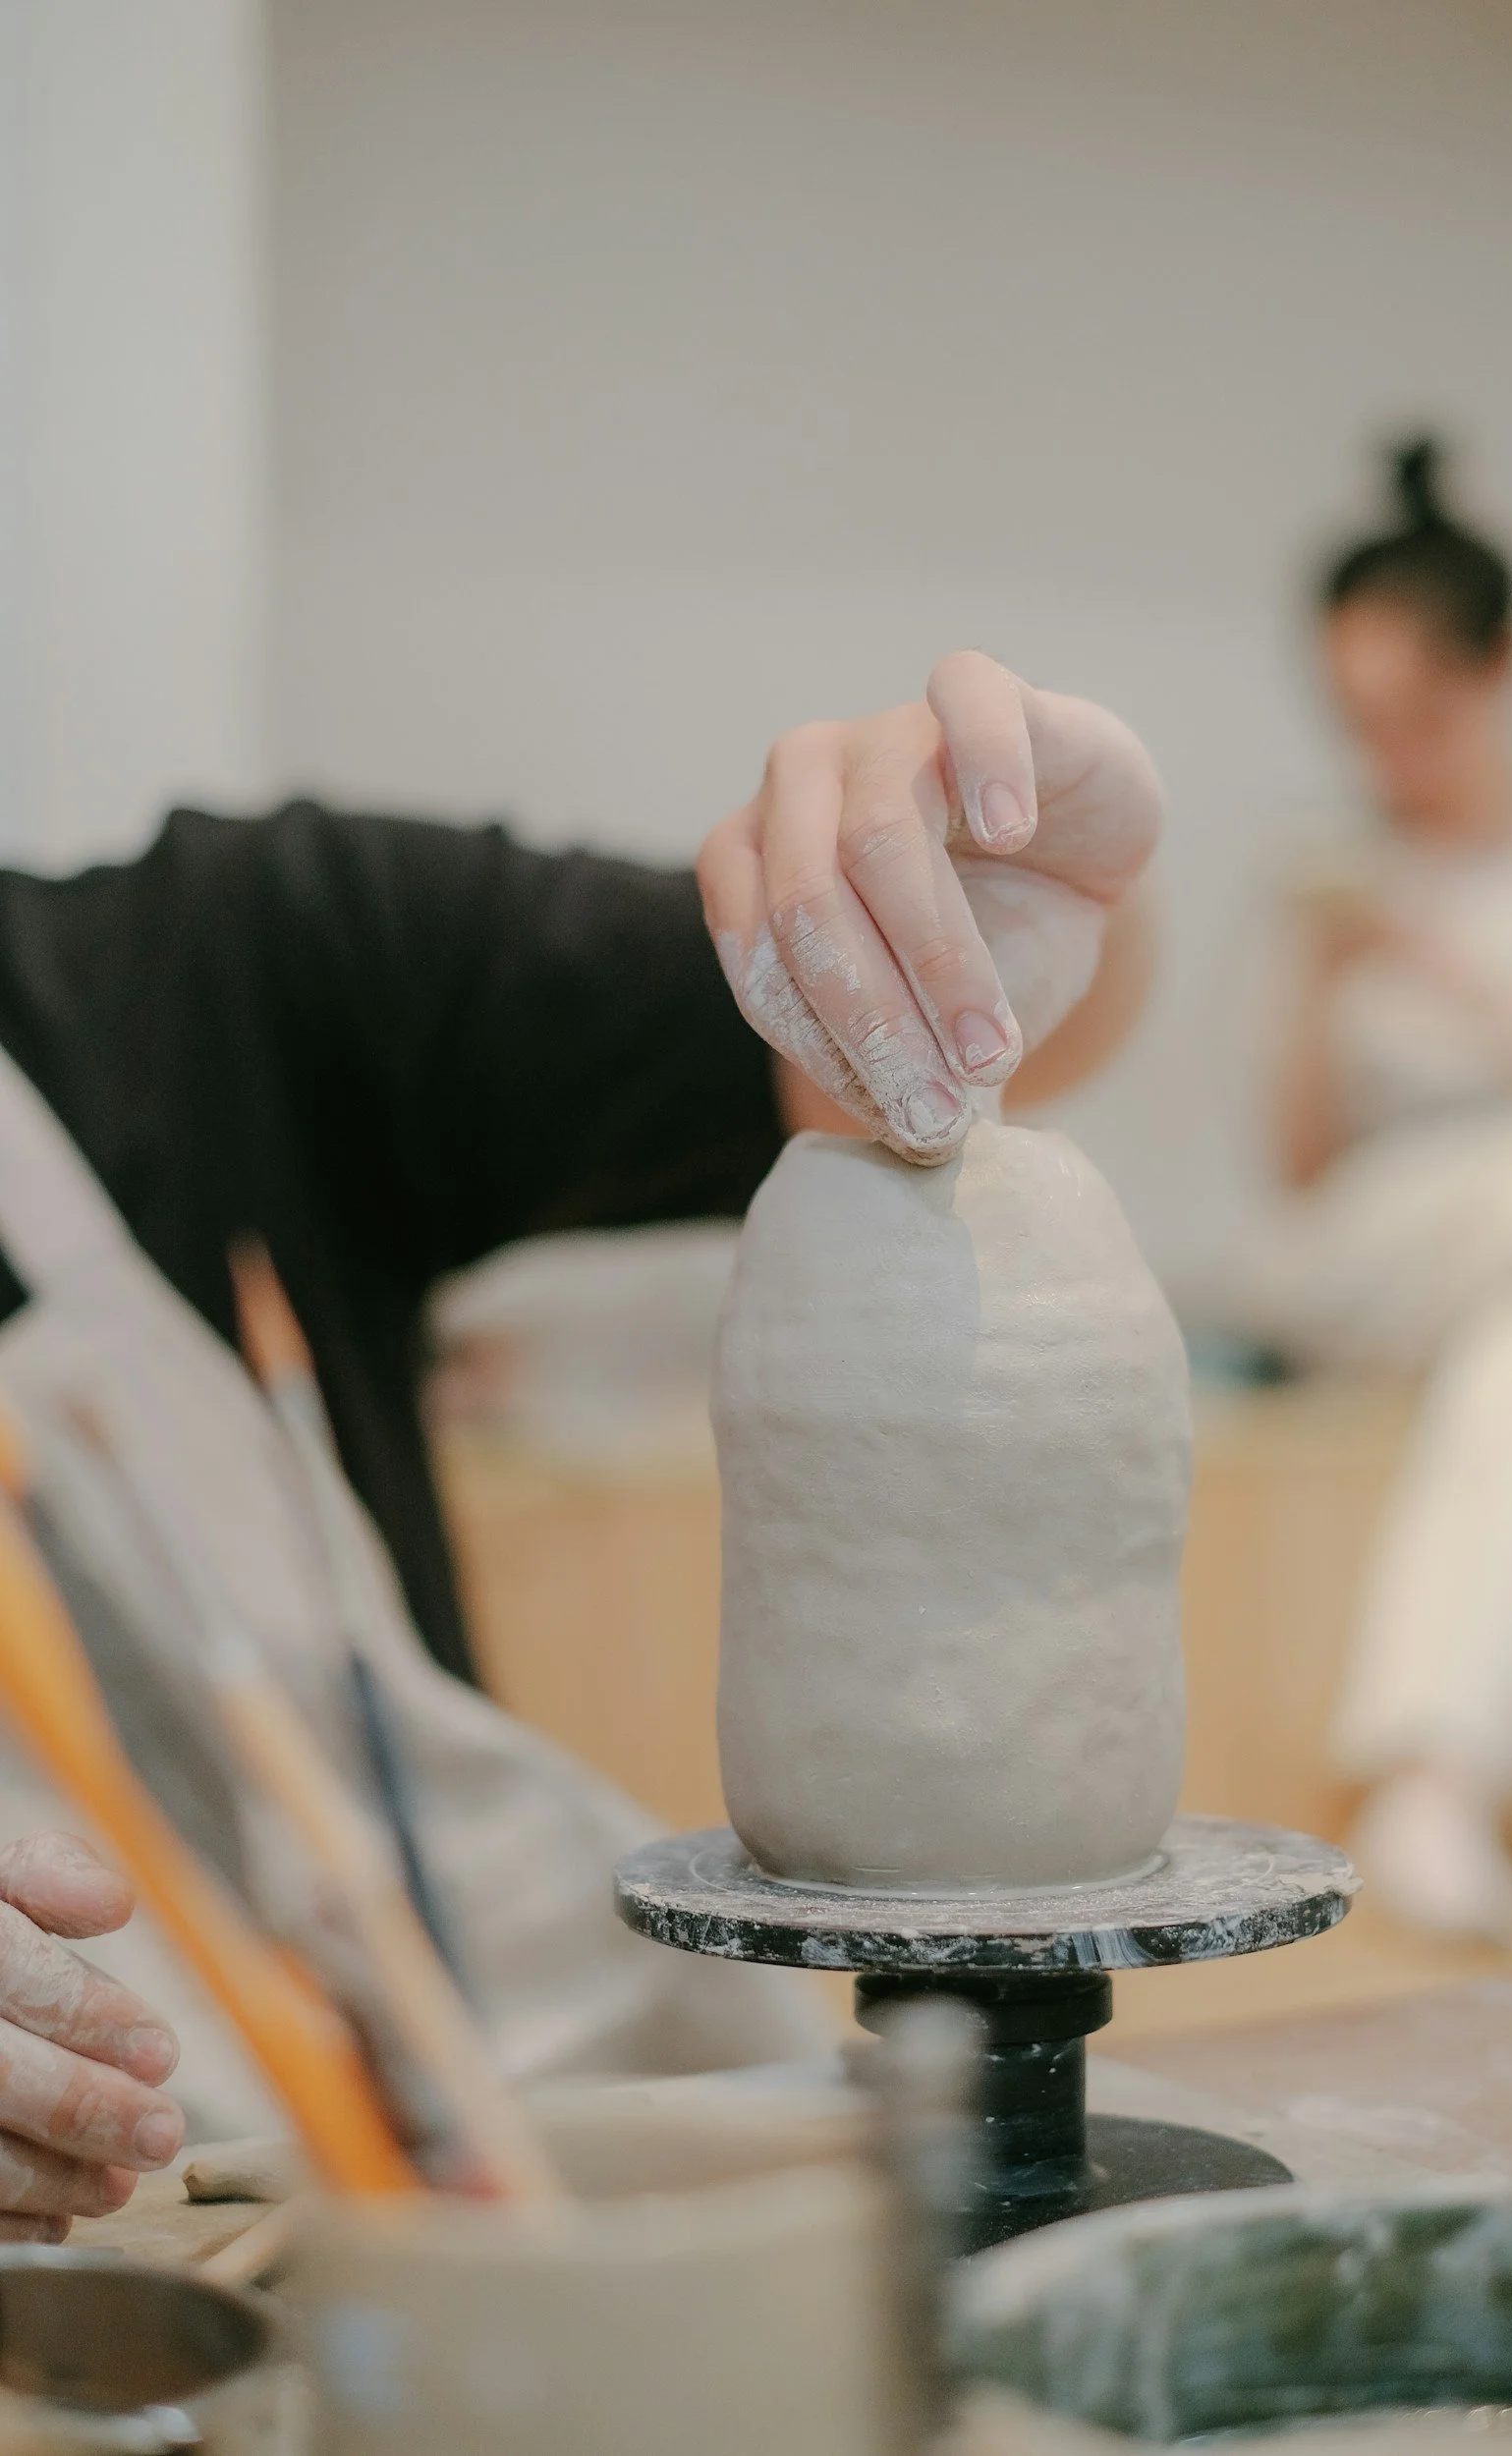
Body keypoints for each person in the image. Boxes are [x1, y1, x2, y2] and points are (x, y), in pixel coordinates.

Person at [0, 649, 1162, 2239]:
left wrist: (1011, 897)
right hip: (112, 2280)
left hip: (544, 2162)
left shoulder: (219, 969)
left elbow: (908, 1048)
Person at [1243, 439, 1512, 1943]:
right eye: (1358, 724)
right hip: (1369, 1253)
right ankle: (1429, 1800)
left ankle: (1430, 1795)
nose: (1387, 759)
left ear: (1504, 669)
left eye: (1418, 717)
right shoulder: (1323, 877)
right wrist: (1323, 977)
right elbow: (1296, 1172)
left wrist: (1457, 974)